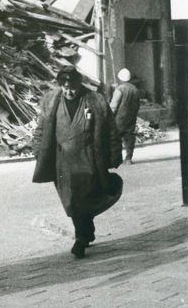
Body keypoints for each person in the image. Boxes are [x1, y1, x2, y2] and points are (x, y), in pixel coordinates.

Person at [32, 66, 123, 259]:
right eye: (65, 87)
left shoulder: (95, 100)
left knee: (82, 199)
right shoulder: (51, 100)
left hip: (88, 159)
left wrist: (114, 154)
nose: (69, 91)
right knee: (71, 201)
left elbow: (110, 128)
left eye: (72, 87)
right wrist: (38, 150)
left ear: (79, 84)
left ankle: (81, 238)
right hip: (62, 161)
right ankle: (86, 232)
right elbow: (41, 129)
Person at [110, 68, 141, 164]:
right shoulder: (135, 89)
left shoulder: (119, 89)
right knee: (130, 137)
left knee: (115, 138)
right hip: (131, 117)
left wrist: (109, 116)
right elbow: (138, 104)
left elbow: (114, 105)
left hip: (119, 118)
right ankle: (128, 159)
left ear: (120, 78)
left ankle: (116, 159)